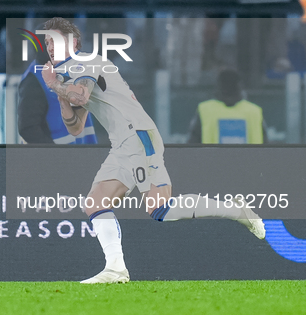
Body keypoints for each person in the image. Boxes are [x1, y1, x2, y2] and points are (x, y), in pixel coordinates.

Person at [39, 17, 265, 284]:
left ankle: (236, 210)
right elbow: (75, 127)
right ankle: (115, 269)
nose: (50, 47)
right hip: (122, 142)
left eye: (56, 40)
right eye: (47, 42)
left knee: (161, 209)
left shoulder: (87, 62)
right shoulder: (68, 74)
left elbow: (81, 97)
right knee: (95, 204)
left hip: (138, 135)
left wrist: (55, 85)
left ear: (74, 42)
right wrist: (58, 92)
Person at [18, 47, 97, 144]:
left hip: (81, 154)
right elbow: (28, 129)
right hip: (59, 157)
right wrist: (55, 156)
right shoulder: (33, 82)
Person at [188, 69, 267, 144]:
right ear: (239, 86)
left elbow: (192, 145)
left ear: (218, 86)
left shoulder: (205, 110)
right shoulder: (254, 112)